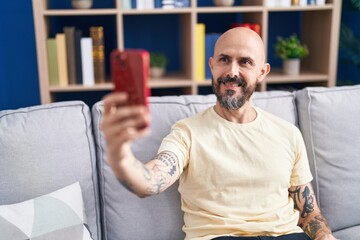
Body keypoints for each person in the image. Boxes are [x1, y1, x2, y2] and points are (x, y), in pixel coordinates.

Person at [100, 27, 337, 240]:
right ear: (212, 65)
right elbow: (150, 182)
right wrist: (120, 154)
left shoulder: (288, 134)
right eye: (224, 60)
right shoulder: (187, 133)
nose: (231, 72)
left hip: (286, 235)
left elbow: (309, 213)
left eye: (245, 62)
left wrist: (325, 236)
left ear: (262, 72)